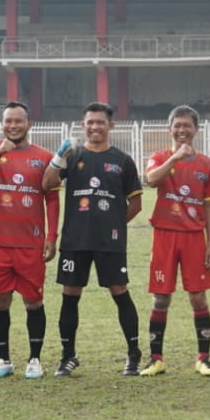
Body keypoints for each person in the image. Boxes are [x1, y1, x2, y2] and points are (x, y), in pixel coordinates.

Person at [41, 102, 144, 377]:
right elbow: (46, 183)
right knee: (70, 295)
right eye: (90, 122)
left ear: (111, 125)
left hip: (109, 242)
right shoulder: (73, 156)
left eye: (100, 122)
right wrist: (59, 156)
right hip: (75, 240)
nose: (95, 127)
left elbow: (136, 203)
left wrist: (114, 226)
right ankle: (67, 356)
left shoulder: (123, 161)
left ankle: (133, 355)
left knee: (120, 292)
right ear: (82, 125)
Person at [0, 101, 59, 379]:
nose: (13, 126)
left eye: (19, 121)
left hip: (31, 244)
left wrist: (52, 235)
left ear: (29, 125)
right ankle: (3, 359)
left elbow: (52, 199)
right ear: (2, 124)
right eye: (8, 121)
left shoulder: (44, 157)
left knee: (33, 302)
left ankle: (35, 360)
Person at [142, 105, 210, 376]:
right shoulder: (160, 157)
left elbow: (209, 206)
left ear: (196, 130)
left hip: (193, 238)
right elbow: (151, 179)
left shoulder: (207, 165)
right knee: (160, 297)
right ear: (170, 129)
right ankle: (156, 359)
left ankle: (203, 358)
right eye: (177, 125)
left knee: (198, 298)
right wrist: (175, 158)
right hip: (164, 234)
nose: (182, 130)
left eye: (187, 125)